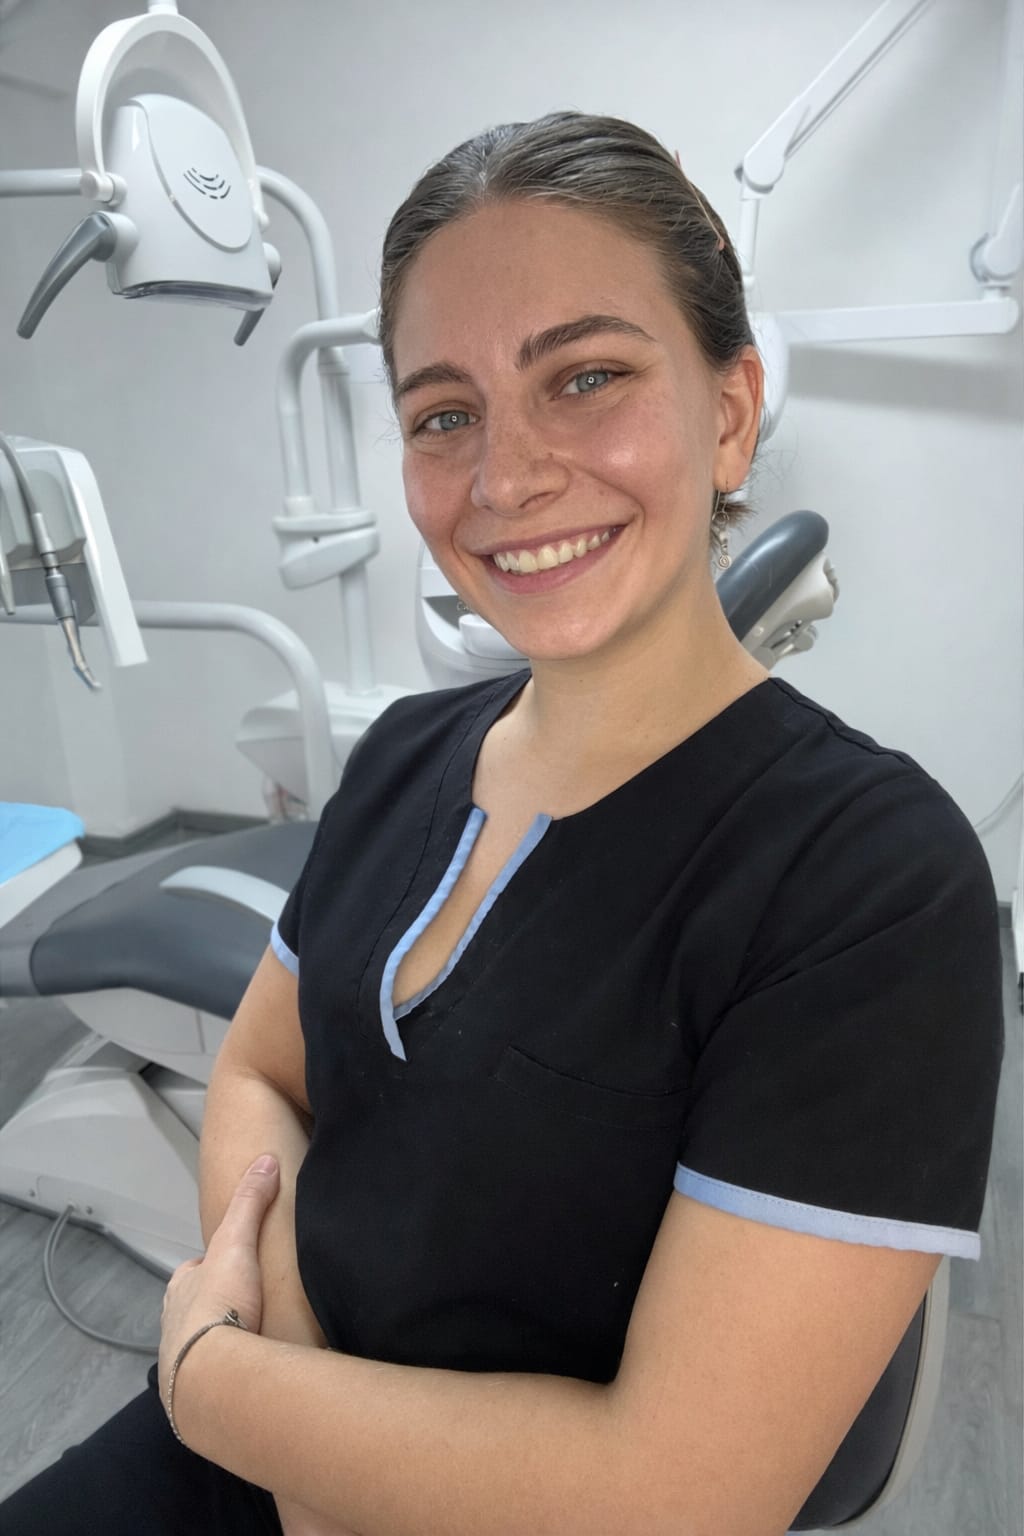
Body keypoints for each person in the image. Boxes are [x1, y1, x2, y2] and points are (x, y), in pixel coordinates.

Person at [1, 111, 1003, 1536]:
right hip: (275, 1412)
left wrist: (218, 1385)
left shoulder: (869, 885)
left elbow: (677, 1495)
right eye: (442, 414)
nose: (505, 478)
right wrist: (296, 1412)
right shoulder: (407, 756)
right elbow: (257, 1076)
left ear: (729, 413)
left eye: (586, 378)